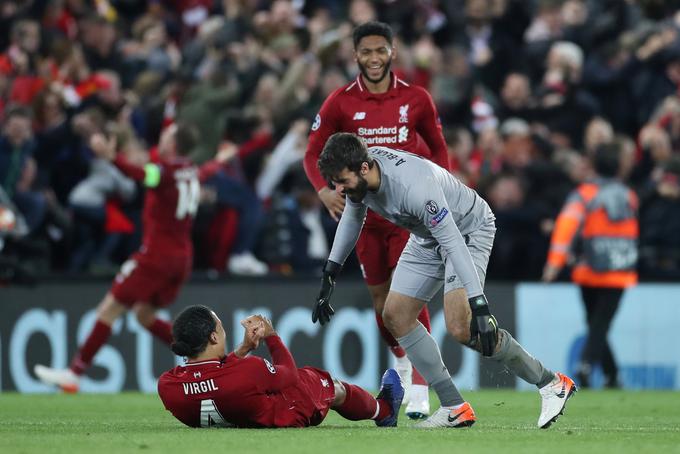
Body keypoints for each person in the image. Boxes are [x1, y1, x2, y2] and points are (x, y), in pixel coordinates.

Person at [312, 132, 576, 429]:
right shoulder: (361, 174)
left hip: (467, 231)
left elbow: (452, 242)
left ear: (363, 169)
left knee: (462, 328)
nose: (338, 190)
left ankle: (551, 382)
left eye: (342, 182)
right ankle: (454, 406)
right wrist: (330, 273)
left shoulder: (414, 187)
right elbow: (352, 218)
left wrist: (479, 304)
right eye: (334, 183)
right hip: (426, 237)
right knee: (395, 315)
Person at [303, 21, 450, 419]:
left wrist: (438, 195)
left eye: (379, 50)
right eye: (365, 51)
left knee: (410, 296)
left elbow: (438, 150)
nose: (373, 58)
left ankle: (421, 384)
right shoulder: (339, 103)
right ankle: (401, 360)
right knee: (382, 304)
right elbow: (312, 151)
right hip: (365, 217)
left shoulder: (417, 99)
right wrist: (322, 188)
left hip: (408, 214)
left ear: (392, 52)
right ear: (355, 55)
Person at [34, 122, 200, 392]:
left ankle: (74, 374)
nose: (163, 135)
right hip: (181, 257)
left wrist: (111, 158)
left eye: (167, 134)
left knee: (108, 309)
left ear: (173, 144)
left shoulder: (166, 173)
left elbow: (142, 174)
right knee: (144, 316)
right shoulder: (190, 170)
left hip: (156, 256)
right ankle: (203, 358)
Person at [158, 305, 404, 429]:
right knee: (331, 386)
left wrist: (242, 350)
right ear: (213, 337)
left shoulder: (168, 386)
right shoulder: (248, 371)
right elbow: (287, 374)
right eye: (220, 328)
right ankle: (383, 411)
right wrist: (272, 336)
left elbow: (215, 379)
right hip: (284, 410)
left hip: (241, 413)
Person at [543, 143, 638, 388]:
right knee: (600, 322)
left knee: (595, 321)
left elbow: (566, 226)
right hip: (619, 269)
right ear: (619, 167)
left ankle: (588, 365)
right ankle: (610, 373)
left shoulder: (584, 194)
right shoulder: (629, 196)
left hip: (590, 270)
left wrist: (555, 262)